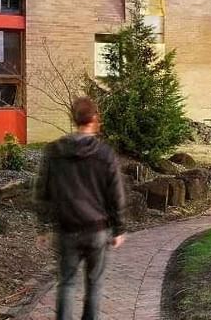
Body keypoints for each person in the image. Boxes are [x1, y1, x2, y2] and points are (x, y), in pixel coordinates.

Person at [36, 96, 126, 320]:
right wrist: (119, 228)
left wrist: (43, 226)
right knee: (94, 285)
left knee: (66, 284)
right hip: (97, 230)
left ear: (74, 118)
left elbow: (43, 190)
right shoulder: (105, 154)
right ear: (94, 119)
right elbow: (116, 194)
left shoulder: (54, 151)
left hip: (67, 229)